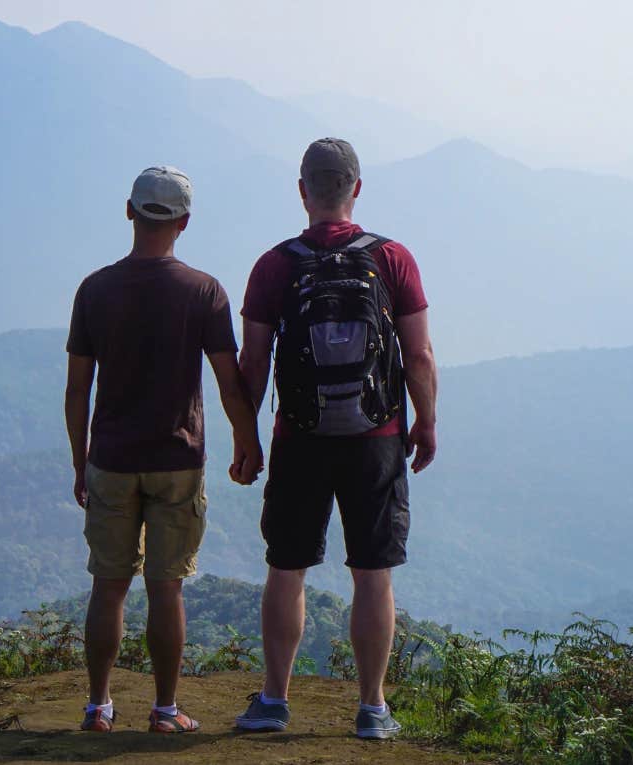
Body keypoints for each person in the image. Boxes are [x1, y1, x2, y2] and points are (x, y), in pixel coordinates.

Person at [233, 139, 438, 739]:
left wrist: (247, 439)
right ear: (357, 188)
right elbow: (419, 355)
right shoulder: (393, 258)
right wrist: (425, 423)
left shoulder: (274, 265)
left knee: (286, 565)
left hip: (299, 435)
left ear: (303, 191)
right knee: (373, 572)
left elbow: (252, 362)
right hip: (377, 435)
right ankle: (373, 708)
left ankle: (273, 700)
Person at [65, 166, 264, 734]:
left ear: (129, 212)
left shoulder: (94, 290)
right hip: (178, 462)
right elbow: (229, 382)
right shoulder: (203, 291)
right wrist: (248, 444)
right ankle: (165, 709)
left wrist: (80, 461)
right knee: (166, 586)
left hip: (111, 458)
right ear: (184, 222)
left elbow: (77, 389)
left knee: (108, 585)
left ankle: (98, 707)